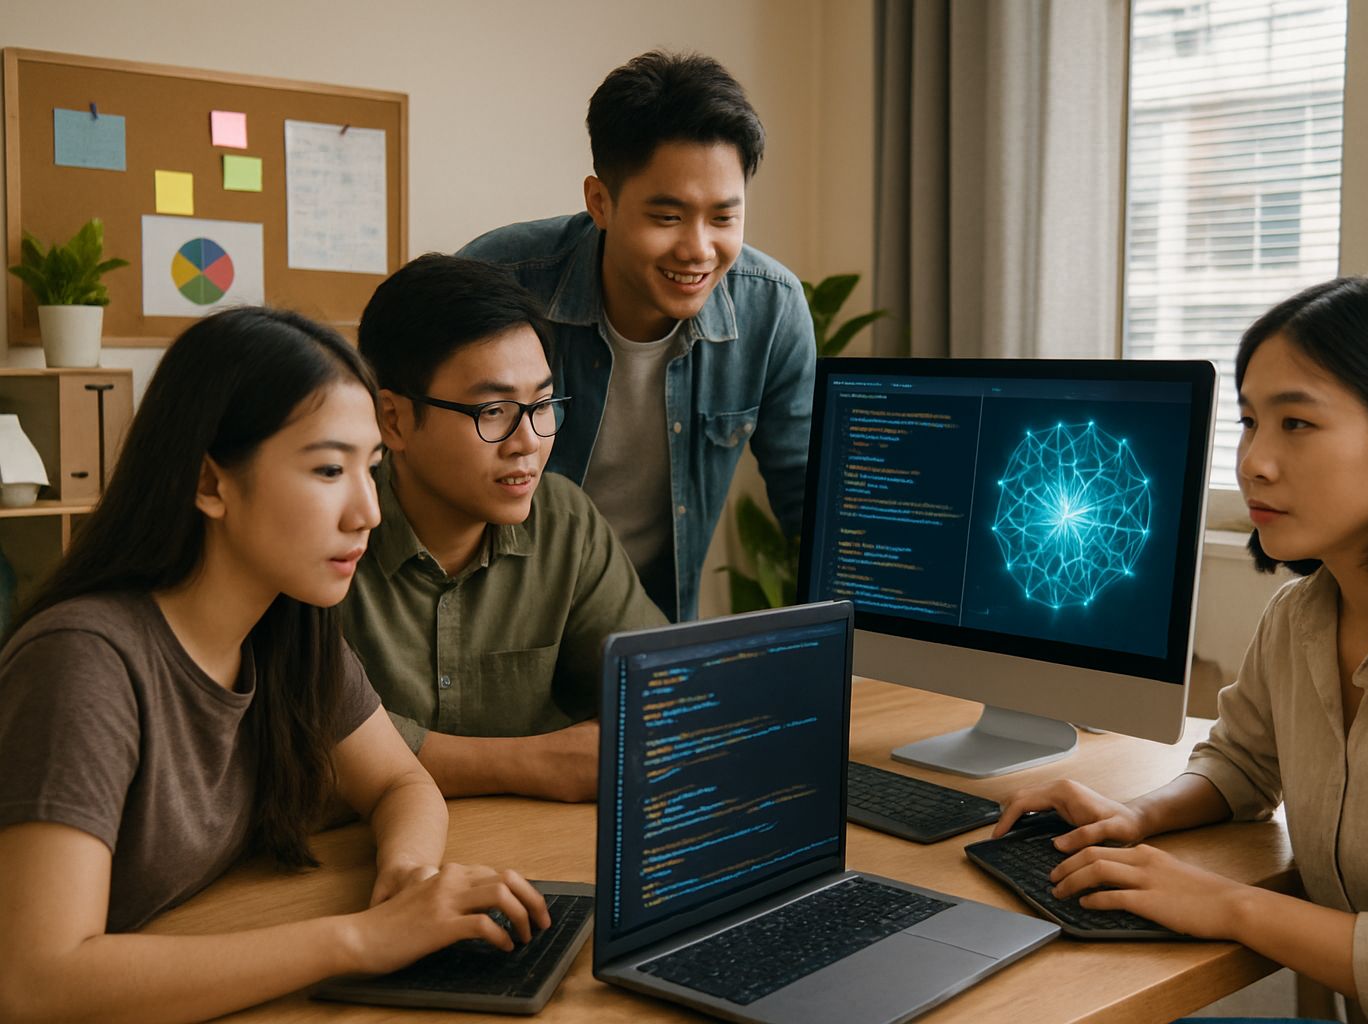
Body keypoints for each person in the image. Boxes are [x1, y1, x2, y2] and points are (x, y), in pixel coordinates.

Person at [993, 277, 1368, 1024]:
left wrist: (1225, 905)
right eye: (1250, 423)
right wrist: (1137, 815)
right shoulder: (1302, 614)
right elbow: (1245, 765)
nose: (1254, 462)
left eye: (1297, 425)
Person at [0, 308, 550, 1023]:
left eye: (371, 469)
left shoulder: (287, 626)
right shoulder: (83, 663)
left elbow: (398, 781)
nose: (368, 512)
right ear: (209, 482)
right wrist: (363, 939)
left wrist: (409, 879)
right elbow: (39, 980)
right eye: (328, 469)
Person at [459, 49, 816, 622]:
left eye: (724, 218)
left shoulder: (771, 309)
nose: (699, 250)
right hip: (496, 624)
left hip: (649, 633)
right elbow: (414, 474)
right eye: (668, 217)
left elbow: (810, 506)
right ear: (600, 202)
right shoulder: (499, 284)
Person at [344, 254, 667, 803]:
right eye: (492, 411)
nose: (529, 442)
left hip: (530, 852)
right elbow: (294, 739)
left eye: (542, 404)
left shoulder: (565, 523)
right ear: (391, 420)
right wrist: (529, 763)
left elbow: (659, 696)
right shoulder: (329, 531)